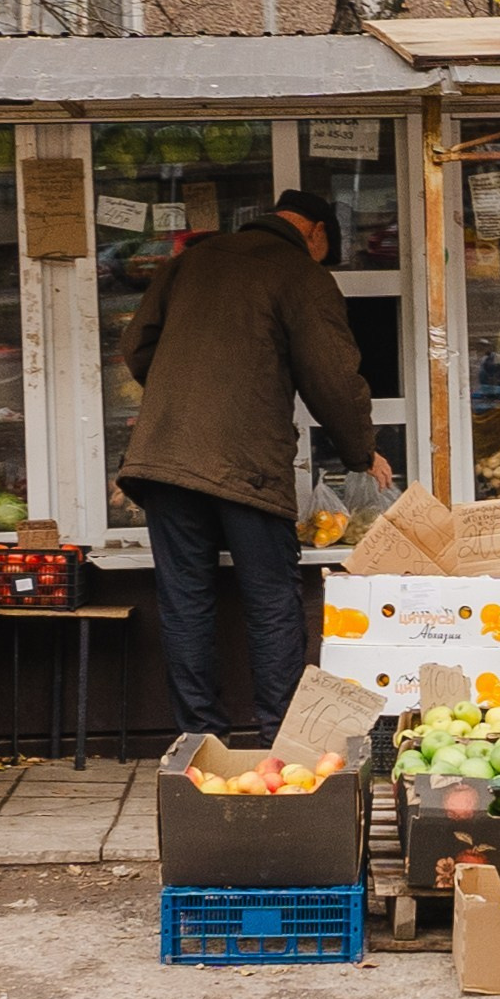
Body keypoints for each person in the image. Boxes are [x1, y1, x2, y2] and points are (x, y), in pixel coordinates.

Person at [118, 189, 393, 741]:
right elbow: (331, 376)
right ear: (316, 232)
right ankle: (281, 738)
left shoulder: (191, 261)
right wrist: (360, 450)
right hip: (247, 463)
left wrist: (185, 398)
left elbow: (136, 348)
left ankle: (200, 739)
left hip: (165, 458)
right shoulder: (300, 274)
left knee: (185, 602)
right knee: (271, 601)